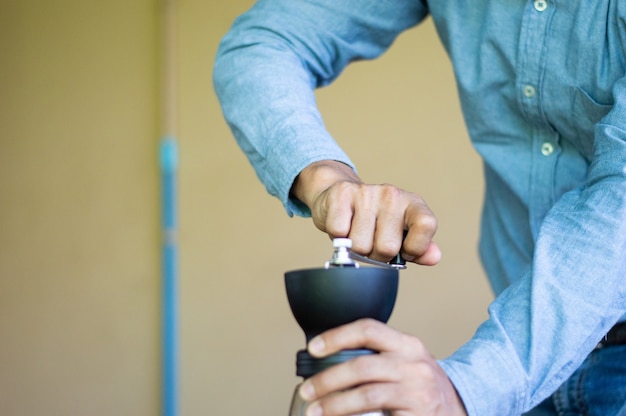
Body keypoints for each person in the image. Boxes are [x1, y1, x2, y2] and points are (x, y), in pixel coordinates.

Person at [213, 1, 626, 415]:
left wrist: (468, 390)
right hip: (512, 362)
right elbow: (264, 42)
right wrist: (323, 177)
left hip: (515, 366)